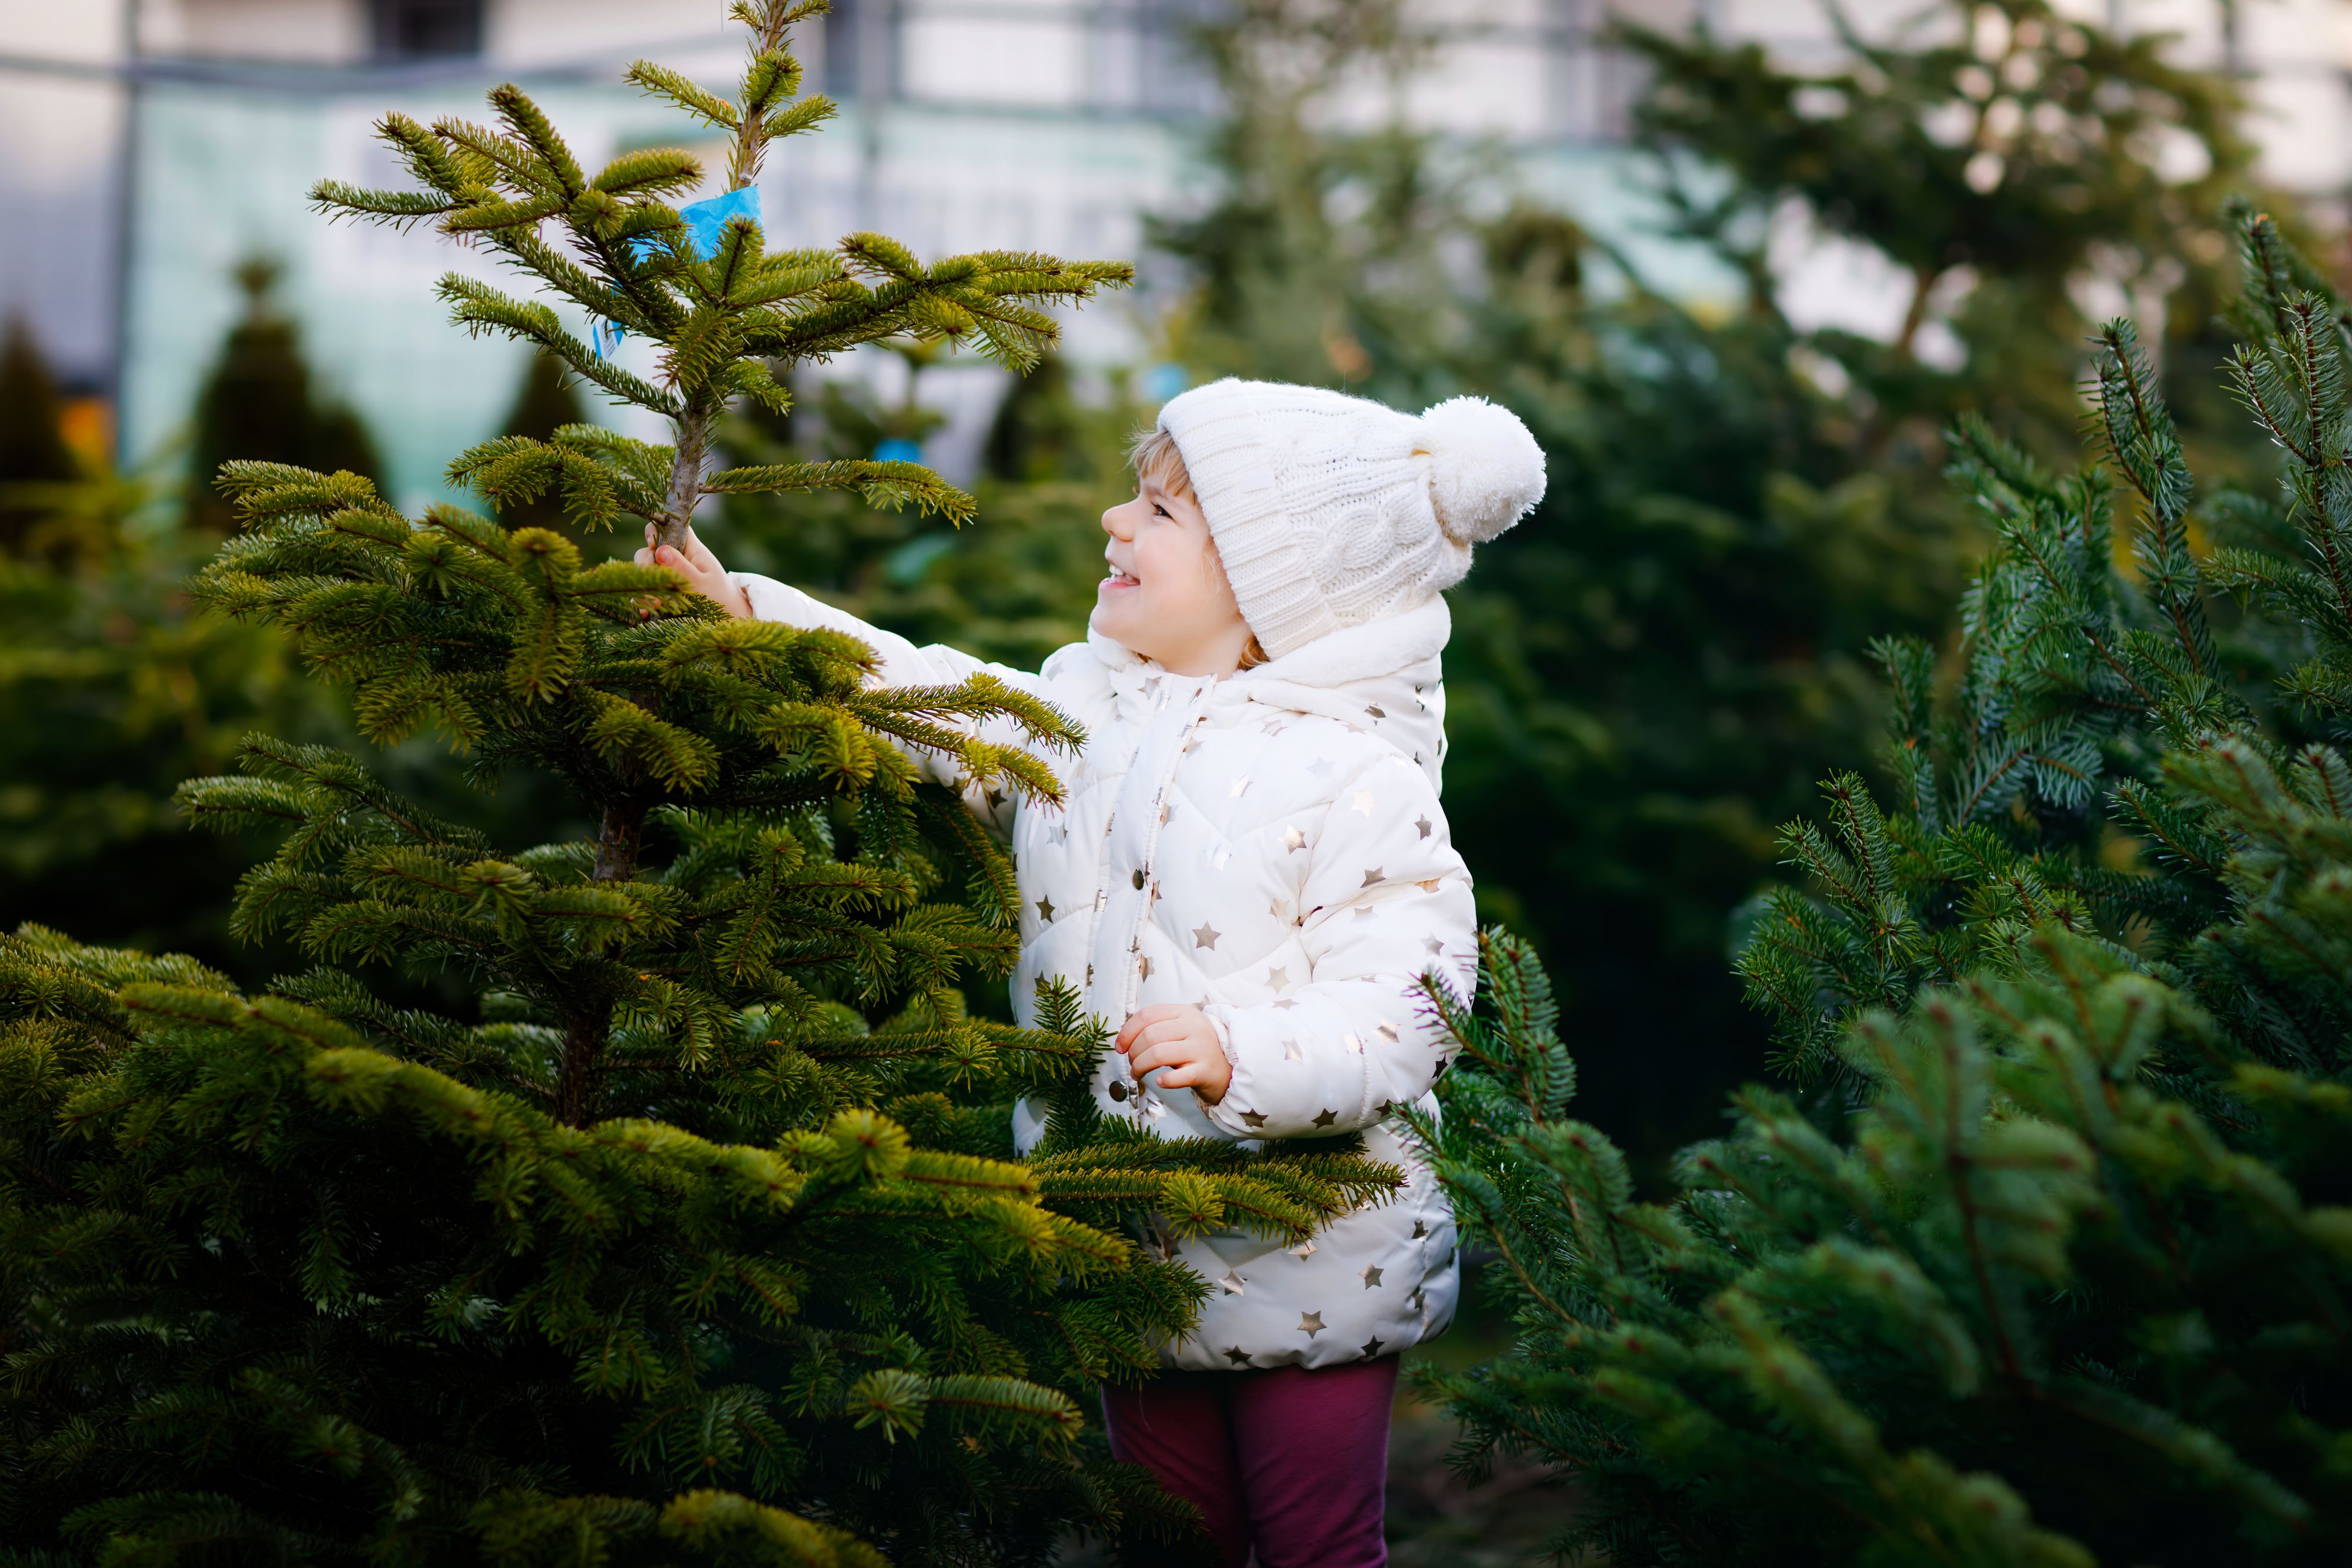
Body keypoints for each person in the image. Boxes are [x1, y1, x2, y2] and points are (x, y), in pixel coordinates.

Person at [642, 377, 1545, 1566]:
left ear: (1269, 587)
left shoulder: (1357, 777)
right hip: (1123, 1240)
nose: (1115, 522)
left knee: (1316, 1544)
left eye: (1161, 513)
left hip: (1314, 1254)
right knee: (1165, 1537)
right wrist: (753, 618)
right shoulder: (1086, 712)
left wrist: (1242, 1055)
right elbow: (931, 697)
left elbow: (1408, 1005)